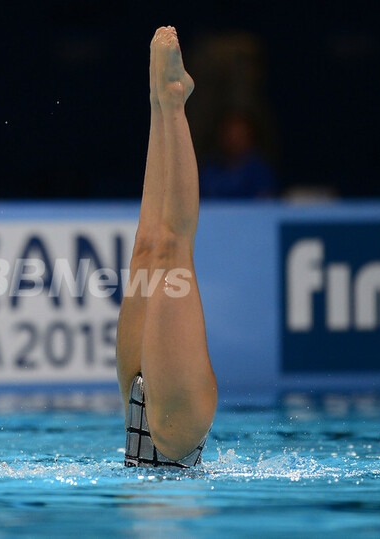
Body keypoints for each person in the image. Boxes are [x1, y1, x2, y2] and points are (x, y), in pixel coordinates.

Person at [116, 27, 218, 467]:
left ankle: (166, 101)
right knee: (164, 252)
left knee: (152, 248)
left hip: (151, 435)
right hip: (178, 440)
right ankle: (170, 101)